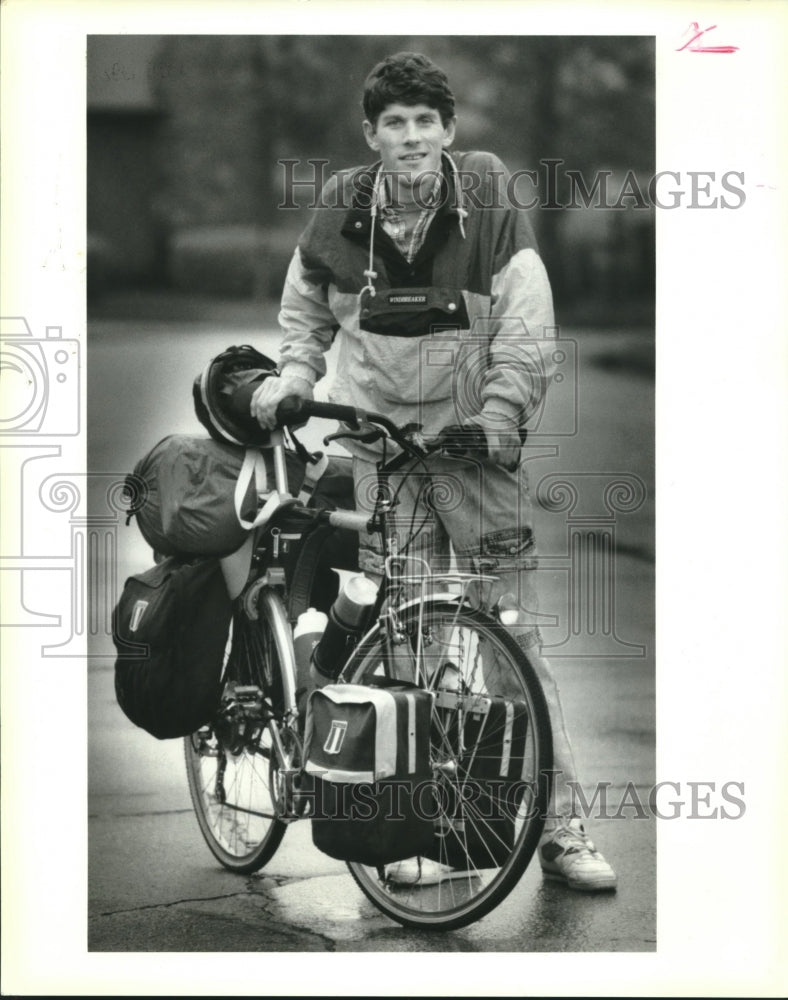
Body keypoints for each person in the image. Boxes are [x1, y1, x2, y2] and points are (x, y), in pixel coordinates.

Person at [252, 51, 617, 892]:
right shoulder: (341, 206)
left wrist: (498, 417)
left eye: (426, 122)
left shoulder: (486, 192)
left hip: (472, 450)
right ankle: (420, 825)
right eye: (394, 124)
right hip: (382, 451)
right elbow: (304, 312)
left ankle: (561, 828)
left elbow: (526, 324)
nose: (411, 138)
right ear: (372, 136)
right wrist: (299, 378)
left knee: (512, 639)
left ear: (448, 131)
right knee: (408, 641)